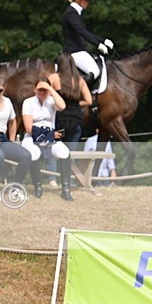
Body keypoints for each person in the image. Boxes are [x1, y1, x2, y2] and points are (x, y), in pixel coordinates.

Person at [48, 53, 93, 201]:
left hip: (59, 120)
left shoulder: (54, 78)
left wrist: (60, 104)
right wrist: (75, 105)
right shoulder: (79, 80)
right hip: (76, 121)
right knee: (69, 154)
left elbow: (46, 96)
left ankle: (52, 180)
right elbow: (89, 100)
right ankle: (68, 184)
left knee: (55, 151)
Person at [21, 78, 68, 198]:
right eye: (39, 90)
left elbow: (62, 106)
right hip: (33, 136)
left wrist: (50, 89)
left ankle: (65, 190)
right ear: (34, 90)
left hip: (50, 138)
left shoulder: (52, 101)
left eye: (44, 90)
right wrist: (50, 135)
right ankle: (38, 187)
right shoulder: (28, 102)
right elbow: (28, 128)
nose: (42, 92)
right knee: (33, 153)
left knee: (64, 152)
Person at [62, 0, 114, 89]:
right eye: (86, 0)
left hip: (80, 50)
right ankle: (77, 96)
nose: (88, 3)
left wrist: (103, 41)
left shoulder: (76, 13)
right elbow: (82, 32)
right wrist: (98, 45)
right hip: (75, 51)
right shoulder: (70, 13)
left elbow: (86, 32)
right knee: (94, 71)